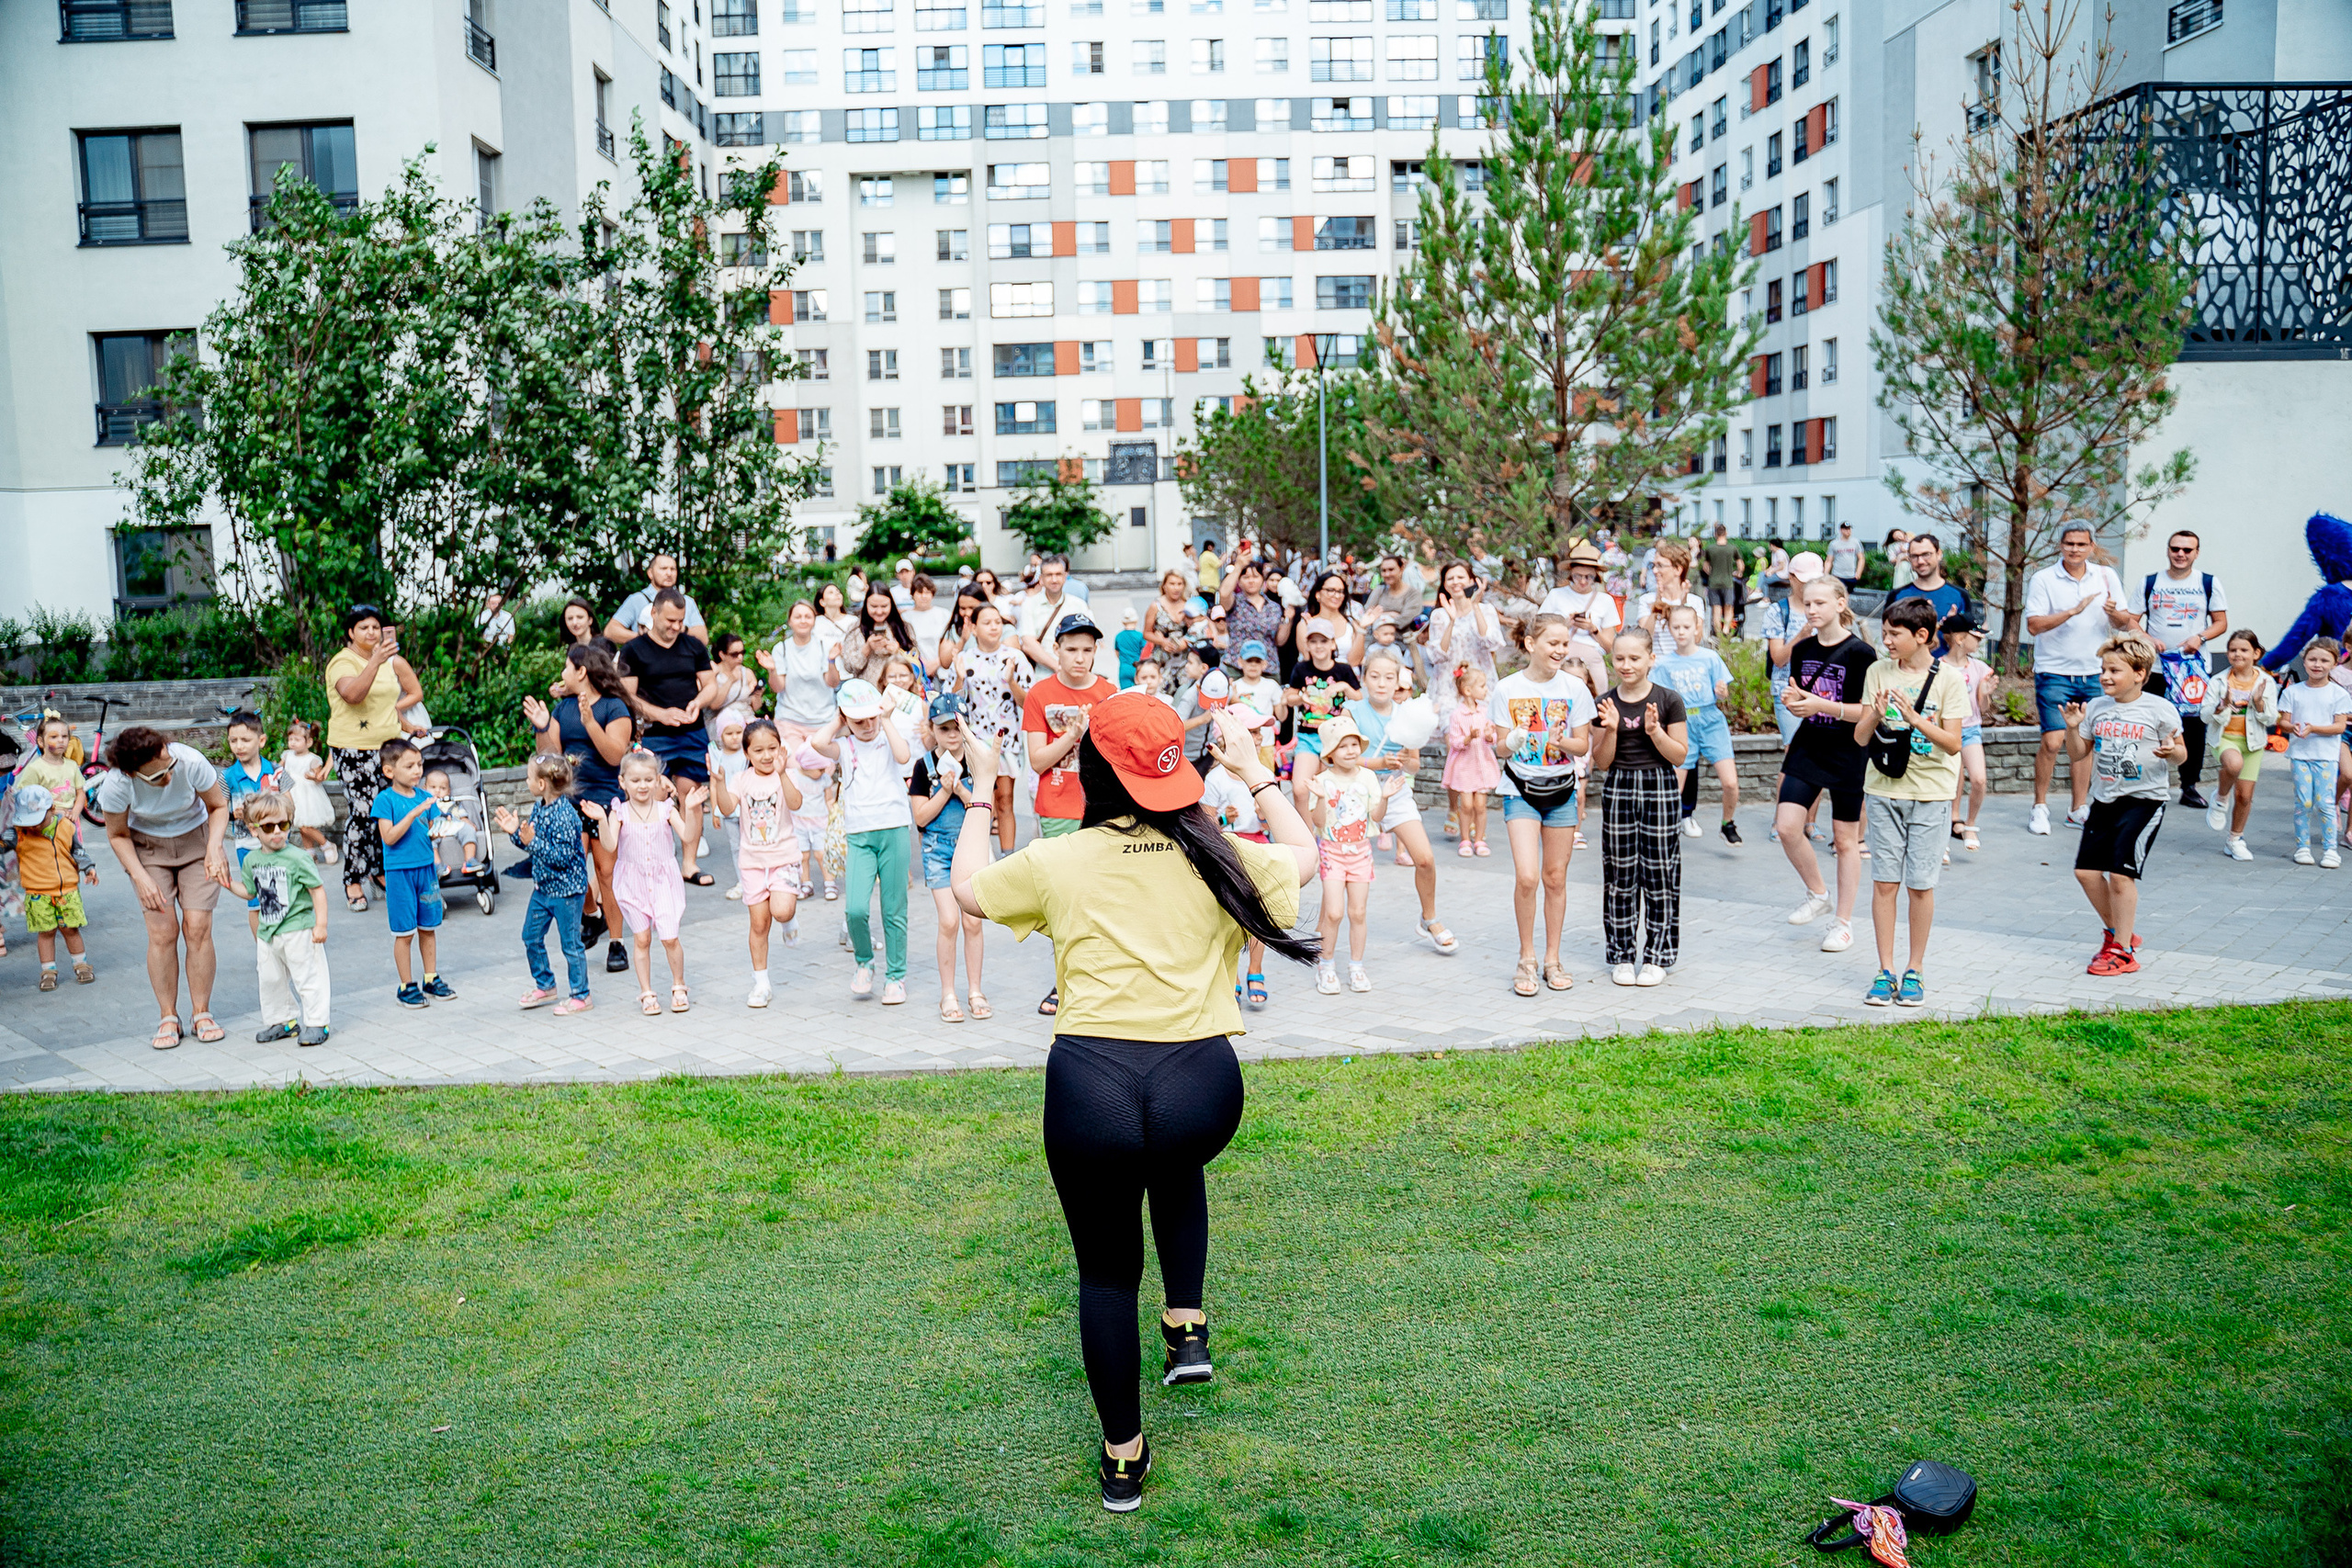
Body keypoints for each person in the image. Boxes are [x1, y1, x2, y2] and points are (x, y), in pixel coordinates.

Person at [951, 699, 1318, 1514]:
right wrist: (1255, 770)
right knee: (1173, 1156)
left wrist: (981, 787)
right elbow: (1306, 854)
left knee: (1107, 1276)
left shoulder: (1060, 858)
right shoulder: (1215, 848)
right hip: (1201, 1089)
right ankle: (1186, 1327)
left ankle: (1124, 1459)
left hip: (1093, 1087)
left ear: (1092, 771)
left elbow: (966, 889)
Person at [1854, 596, 1969, 1007]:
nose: (1886, 641)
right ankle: (1884, 971)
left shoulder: (1949, 679)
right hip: (1883, 790)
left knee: (1920, 885)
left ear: (1921, 635)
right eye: (1884, 633)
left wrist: (1916, 719)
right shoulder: (1877, 671)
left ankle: (1914, 970)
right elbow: (1861, 738)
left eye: (1893, 634)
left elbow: (1954, 744)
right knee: (1885, 883)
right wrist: (1875, 713)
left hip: (1931, 794)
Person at [95, 727, 233, 1049]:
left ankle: (202, 1012)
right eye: (157, 776)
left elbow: (218, 806)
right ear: (132, 773)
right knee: (162, 931)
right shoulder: (116, 784)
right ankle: (168, 1015)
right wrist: (140, 877)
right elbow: (117, 835)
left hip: (197, 841)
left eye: (169, 766)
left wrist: (215, 846)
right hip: (147, 849)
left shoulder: (189, 761)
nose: (169, 776)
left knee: (197, 927)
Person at [2063, 634, 2187, 975]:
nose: (2105, 676)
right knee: (2086, 873)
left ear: (2139, 673)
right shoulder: (2097, 707)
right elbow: (2077, 754)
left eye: (2114, 670)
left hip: (2144, 801)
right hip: (2104, 799)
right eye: (2103, 669)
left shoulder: (2159, 709)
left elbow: (2182, 754)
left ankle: (2123, 950)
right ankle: (2119, 933)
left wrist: (2171, 752)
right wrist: (2072, 728)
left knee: (2120, 875)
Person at [1489, 613, 1597, 996]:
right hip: (1520, 789)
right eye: (1553, 643)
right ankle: (1526, 958)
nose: (1560, 650)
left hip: (1562, 791)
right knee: (1527, 876)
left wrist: (1560, 742)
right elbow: (1500, 748)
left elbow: (1583, 745)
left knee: (1555, 878)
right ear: (1531, 644)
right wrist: (1512, 741)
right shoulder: (1506, 689)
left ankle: (1552, 959)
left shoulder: (1575, 688)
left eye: (1565, 643)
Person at [1022, 612, 1119, 1015]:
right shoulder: (1040, 694)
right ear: (1056, 650)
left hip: (1103, 807)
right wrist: (1073, 734)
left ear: (1096, 652)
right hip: (1057, 806)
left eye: (1087, 650)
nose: (1079, 658)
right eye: (1071, 649)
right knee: (1064, 897)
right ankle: (1063, 979)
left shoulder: (1109, 692)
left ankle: (1103, 977)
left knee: (1102, 895)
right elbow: (1038, 760)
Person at [1776, 577, 1877, 954]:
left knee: (1846, 839)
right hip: (1810, 745)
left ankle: (1843, 923)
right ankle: (1818, 894)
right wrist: (1794, 701)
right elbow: (1802, 696)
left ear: (1840, 603)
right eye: (1807, 603)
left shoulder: (1862, 653)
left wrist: (1822, 705)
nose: (1812, 609)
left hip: (1849, 750)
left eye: (1820, 602)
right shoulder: (1802, 650)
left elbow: (1868, 712)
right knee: (1787, 826)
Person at [528, 644, 636, 974]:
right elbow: (551, 760)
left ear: (581, 671)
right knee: (571, 867)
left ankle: (616, 942)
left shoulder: (615, 708)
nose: (562, 674)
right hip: (570, 803)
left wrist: (590, 723)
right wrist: (543, 727)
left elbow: (614, 756)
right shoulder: (563, 708)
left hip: (605, 800)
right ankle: (592, 914)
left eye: (566, 667)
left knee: (606, 873)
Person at [1591, 628, 1690, 987]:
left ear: (1651, 658)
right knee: (1620, 874)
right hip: (1619, 784)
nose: (1626, 665)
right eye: (1619, 658)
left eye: (1635, 658)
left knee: (1661, 871)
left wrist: (1655, 732)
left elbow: (1679, 755)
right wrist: (1612, 730)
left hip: (1659, 785)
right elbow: (1602, 762)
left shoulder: (1668, 700)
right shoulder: (1605, 702)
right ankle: (1621, 955)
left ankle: (1657, 955)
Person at [1341, 652, 1458, 953]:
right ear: (1364, 679)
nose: (1381, 683)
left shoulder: (1407, 715)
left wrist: (1404, 761)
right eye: (1374, 676)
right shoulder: (1351, 712)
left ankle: (1429, 919)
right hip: (1355, 793)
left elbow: (1414, 766)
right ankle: (1328, 928)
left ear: (1398, 683)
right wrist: (1377, 761)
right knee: (1342, 867)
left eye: (1389, 678)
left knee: (1425, 859)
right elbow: (1339, 760)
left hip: (1394, 790)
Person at [2023, 525, 2134, 835]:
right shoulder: (2044, 578)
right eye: (2069, 543)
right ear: (2060, 545)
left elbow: (2124, 621)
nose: (2074, 549)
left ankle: (2078, 809)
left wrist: (2114, 613)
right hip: (2054, 671)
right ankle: (2040, 807)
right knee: (2052, 741)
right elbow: (2034, 625)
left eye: (2081, 544)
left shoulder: (2106, 576)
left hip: (2095, 672)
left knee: (2085, 743)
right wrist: (2072, 611)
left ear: (2092, 546)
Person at [810, 679, 915, 1004]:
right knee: (855, 909)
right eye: (859, 721)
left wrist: (885, 718)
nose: (867, 726)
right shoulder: (845, 746)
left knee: (893, 909)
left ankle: (895, 976)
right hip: (859, 834)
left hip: (894, 827)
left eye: (871, 718)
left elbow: (904, 755)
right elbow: (818, 742)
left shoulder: (887, 734)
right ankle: (864, 962)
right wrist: (840, 720)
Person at [323, 605, 425, 912]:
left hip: (388, 749)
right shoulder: (342, 661)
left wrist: (408, 727)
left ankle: (379, 872)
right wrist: (375, 661)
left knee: (386, 811)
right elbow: (353, 695)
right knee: (363, 812)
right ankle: (353, 879)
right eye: (363, 627)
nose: (371, 632)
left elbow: (387, 705)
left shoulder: (385, 661)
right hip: (353, 749)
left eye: (375, 627)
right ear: (350, 632)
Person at [616, 587, 718, 886]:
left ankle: (689, 864)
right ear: (655, 613)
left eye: (681, 621)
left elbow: (711, 685)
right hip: (654, 734)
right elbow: (627, 695)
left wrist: (698, 702)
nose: (676, 627)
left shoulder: (693, 646)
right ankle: (651, 861)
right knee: (654, 794)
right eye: (670, 620)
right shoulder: (634, 649)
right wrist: (659, 714)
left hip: (692, 732)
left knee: (691, 794)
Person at [590, 750, 703, 1014]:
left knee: (670, 938)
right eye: (636, 780)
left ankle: (679, 984)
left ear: (658, 781)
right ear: (623, 782)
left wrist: (691, 809)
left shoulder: (666, 809)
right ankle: (647, 992)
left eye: (648, 780)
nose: (642, 786)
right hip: (633, 883)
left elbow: (688, 836)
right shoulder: (619, 812)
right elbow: (609, 845)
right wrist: (601, 821)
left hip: (664, 882)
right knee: (641, 939)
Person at [222, 788, 331, 1043]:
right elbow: (250, 892)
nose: (277, 832)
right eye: (269, 827)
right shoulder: (251, 860)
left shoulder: (298, 857)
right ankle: (283, 1021)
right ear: (253, 830)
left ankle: (318, 1023)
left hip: (298, 927)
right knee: (270, 979)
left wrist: (321, 924)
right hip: (268, 931)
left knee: (308, 976)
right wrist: (226, 883)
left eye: (283, 825)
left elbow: (317, 891)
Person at [709, 718, 804, 1008]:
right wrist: (718, 782)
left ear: (780, 748)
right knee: (759, 924)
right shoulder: (741, 779)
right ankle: (761, 983)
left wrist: (783, 773)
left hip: (784, 858)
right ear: (746, 753)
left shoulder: (787, 774)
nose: (766, 756)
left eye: (772, 748)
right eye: (758, 750)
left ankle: (788, 921)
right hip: (752, 863)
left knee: (782, 911)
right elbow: (727, 808)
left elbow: (796, 803)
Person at [2132, 529, 2230, 809]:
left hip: (2192, 671)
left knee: (2193, 728)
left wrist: (2200, 637)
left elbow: (2221, 622)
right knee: (2149, 723)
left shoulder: (2208, 582)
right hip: (2156, 668)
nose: (2181, 554)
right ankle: (2146, 782)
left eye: (2187, 550)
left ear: (2196, 553)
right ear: (2168, 550)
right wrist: (2147, 638)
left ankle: (2189, 786)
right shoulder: (2150, 582)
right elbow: (2131, 620)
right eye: (2175, 549)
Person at [911, 694, 989, 1022]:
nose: (952, 735)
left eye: (957, 727)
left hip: (970, 848)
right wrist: (944, 790)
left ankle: (975, 990)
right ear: (932, 730)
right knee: (949, 921)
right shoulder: (923, 767)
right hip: (938, 851)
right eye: (944, 728)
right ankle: (948, 993)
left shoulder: (978, 762)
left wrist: (960, 789)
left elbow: (984, 808)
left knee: (973, 921)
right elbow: (920, 817)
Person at [497, 751, 594, 1016]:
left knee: (571, 945)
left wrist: (532, 841)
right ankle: (546, 985)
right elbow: (533, 845)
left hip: (567, 893)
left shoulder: (565, 815)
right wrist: (516, 833)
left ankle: (581, 995)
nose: (526, 781)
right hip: (543, 889)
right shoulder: (539, 807)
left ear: (541, 784)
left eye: (529, 777)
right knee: (531, 936)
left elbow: (561, 858)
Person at [1305, 716, 1387, 993]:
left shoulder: (1368, 777)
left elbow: (1377, 816)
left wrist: (1386, 797)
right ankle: (1326, 965)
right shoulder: (1322, 780)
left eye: (1354, 744)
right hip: (1332, 852)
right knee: (1334, 912)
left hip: (1361, 852)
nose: (1351, 751)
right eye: (1343, 746)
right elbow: (1318, 822)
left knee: (1358, 912)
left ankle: (1356, 966)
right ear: (1330, 752)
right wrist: (1319, 797)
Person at [369, 738, 455, 1010]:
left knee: (428, 928)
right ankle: (406, 986)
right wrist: (413, 813)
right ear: (389, 771)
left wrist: (440, 829)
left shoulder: (425, 797)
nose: (417, 771)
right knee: (404, 933)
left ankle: (431, 978)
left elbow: (431, 828)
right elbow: (389, 837)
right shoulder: (385, 800)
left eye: (419, 764)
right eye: (409, 766)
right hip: (399, 874)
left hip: (425, 869)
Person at [949, 602, 1028, 854]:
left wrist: (1011, 681)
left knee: (1005, 799)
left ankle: (1007, 856)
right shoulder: (964, 659)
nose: (994, 627)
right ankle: (980, 857)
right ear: (973, 628)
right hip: (975, 741)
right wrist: (960, 679)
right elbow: (952, 703)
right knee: (980, 802)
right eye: (987, 622)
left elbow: (1028, 702)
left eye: (997, 622)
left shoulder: (1015, 657)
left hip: (1006, 739)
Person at [1657, 604, 1740, 842]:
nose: (1681, 632)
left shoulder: (1710, 658)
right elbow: (1660, 698)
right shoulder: (1664, 664)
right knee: (1675, 786)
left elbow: (1722, 692)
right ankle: (1666, 830)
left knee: (1731, 783)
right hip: (1682, 723)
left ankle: (1727, 823)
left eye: (1686, 627)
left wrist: (1722, 692)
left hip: (1710, 720)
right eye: (1676, 627)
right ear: (1669, 629)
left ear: (1696, 628)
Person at [6, 784, 97, 991]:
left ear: (52, 809)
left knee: (70, 930)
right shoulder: (19, 834)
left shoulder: (66, 827)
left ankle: (81, 965)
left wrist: (89, 868)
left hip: (67, 892)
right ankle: (48, 971)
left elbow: (78, 851)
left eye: (38, 820)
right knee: (45, 932)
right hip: (37, 893)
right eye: (29, 821)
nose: (34, 826)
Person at [2202, 628, 2278, 861]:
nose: (2237, 654)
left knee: (2245, 797)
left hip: (2253, 744)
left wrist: (2258, 703)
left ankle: (2235, 840)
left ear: (2256, 653)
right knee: (2233, 765)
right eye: (2232, 650)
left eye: (2244, 650)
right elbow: (2204, 715)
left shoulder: (2265, 682)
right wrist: (2221, 706)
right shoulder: (2218, 681)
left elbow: (2271, 719)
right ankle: (2221, 797)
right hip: (2225, 738)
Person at [2278, 637, 2352, 867]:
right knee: (2303, 803)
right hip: (2300, 756)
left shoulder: (2338, 694)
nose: (2317, 665)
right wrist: (2292, 727)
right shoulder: (2293, 692)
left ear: (2334, 663)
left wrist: (2314, 728)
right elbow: (2283, 722)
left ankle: (2331, 850)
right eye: (2312, 659)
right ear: (2304, 660)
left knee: (2325, 803)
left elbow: (2339, 727)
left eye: (2324, 660)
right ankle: (2303, 847)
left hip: (2326, 757)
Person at [1282, 619, 1362, 815]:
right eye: (1314, 641)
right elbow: (1289, 698)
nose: (1319, 646)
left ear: (1333, 644)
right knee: (1300, 788)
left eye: (1324, 641)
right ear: (1307, 645)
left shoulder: (1343, 670)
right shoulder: (1301, 668)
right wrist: (1301, 697)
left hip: (1336, 738)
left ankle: (1327, 828)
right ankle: (1306, 831)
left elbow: (1360, 699)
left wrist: (1344, 687)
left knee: (1330, 790)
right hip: (1308, 736)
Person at [220, 711, 280, 940]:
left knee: (279, 894)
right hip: (247, 845)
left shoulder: (276, 771)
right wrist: (231, 814)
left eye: (245, 740)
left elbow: (290, 806)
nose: (239, 746)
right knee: (255, 901)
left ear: (261, 740)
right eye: (233, 741)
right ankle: (263, 948)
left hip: (276, 843)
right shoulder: (227, 777)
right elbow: (217, 811)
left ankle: (282, 942)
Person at [1942, 613, 1996, 852]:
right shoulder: (1938, 667)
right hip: (1945, 730)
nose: (1980, 641)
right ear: (1960, 639)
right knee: (1949, 779)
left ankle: (1971, 822)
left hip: (1970, 729)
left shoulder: (1979, 668)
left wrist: (1984, 694)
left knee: (1979, 778)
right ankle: (1946, 828)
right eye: (1976, 637)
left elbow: (1983, 709)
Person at [1762, 551, 1823, 746]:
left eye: (1815, 581)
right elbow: (1779, 659)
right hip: (1788, 690)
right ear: (1791, 577)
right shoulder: (1778, 611)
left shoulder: (1826, 609)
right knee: (1795, 751)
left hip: (1822, 692)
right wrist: (1802, 635)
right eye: (1805, 581)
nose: (1810, 586)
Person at [762, 600, 845, 742]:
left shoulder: (825, 646)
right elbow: (778, 688)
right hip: (789, 721)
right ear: (790, 621)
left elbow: (833, 683)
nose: (803, 621)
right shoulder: (781, 649)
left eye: (808, 617)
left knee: (823, 757)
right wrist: (772, 670)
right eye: (798, 617)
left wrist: (831, 661)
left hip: (823, 721)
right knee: (793, 757)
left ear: (814, 621)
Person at [1535, 541, 1622, 676]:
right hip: (1560, 658)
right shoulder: (1556, 595)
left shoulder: (1605, 600)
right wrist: (1565, 625)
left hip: (1591, 662)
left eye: (1588, 577)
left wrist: (1593, 629)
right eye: (1578, 576)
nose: (1583, 581)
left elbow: (1609, 647)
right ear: (1571, 574)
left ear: (1596, 576)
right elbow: (1538, 630)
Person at [1442, 666, 1499, 855]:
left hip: (1482, 765)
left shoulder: (1485, 712)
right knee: (1466, 805)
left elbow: (1494, 738)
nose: (1486, 690)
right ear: (1468, 690)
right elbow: (1455, 741)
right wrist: (1468, 738)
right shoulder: (1457, 715)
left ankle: (1480, 839)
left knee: (1480, 805)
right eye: (1482, 686)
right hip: (1464, 768)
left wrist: (1489, 736)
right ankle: (1465, 839)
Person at [1885, 532, 1971, 648]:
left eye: (1926, 554)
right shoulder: (1897, 596)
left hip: (1946, 659)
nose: (1920, 561)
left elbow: (1967, 642)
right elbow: (1889, 637)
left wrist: (1950, 627)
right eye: (1914, 556)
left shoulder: (1960, 595)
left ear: (1939, 554)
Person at [1216, 554, 1293, 681]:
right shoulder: (1235, 602)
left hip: (1268, 667)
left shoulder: (1273, 607)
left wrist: (1288, 619)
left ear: (1263, 580)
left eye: (1256, 577)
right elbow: (1223, 593)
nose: (1251, 581)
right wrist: (1238, 566)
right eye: (1246, 577)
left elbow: (1279, 641)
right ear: (1239, 581)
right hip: (1237, 667)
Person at [604, 553, 708, 645]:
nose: (669, 573)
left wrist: (682, 630)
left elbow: (703, 638)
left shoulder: (687, 602)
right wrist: (644, 639)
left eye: (673, 569)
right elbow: (610, 632)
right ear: (650, 573)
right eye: (663, 569)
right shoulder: (637, 600)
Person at [1016, 555, 1085, 681]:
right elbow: (1028, 643)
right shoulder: (1029, 605)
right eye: (1049, 575)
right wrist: (1058, 667)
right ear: (1041, 579)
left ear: (1065, 576)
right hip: (1041, 677)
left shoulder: (1078, 605)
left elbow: (1087, 641)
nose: (1054, 579)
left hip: (1075, 677)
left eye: (1058, 574)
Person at [278, 718, 337, 863]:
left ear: (309, 742)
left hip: (307, 796)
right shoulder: (287, 755)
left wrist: (312, 777)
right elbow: (279, 770)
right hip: (291, 794)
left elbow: (319, 777)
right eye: (290, 739)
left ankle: (326, 845)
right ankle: (310, 852)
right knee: (300, 825)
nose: (292, 743)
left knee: (305, 826)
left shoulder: (312, 759)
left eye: (297, 740)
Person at [1633, 542, 1703, 657]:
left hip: (1683, 663)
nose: (1655, 571)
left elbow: (1697, 638)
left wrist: (1683, 606)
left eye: (1660, 566)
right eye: (1653, 566)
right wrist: (1656, 608)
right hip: (1656, 663)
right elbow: (1644, 638)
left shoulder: (1694, 602)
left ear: (1678, 570)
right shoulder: (1647, 600)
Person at [838, 586, 922, 683]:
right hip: (867, 689)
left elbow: (915, 664)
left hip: (899, 688)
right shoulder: (855, 629)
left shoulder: (904, 627)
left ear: (891, 604)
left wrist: (897, 652)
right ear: (866, 605)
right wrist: (867, 649)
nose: (879, 611)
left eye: (884, 606)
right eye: (874, 606)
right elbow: (849, 667)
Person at [421, 769, 482, 878]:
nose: (437, 791)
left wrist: (465, 819)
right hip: (434, 826)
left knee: (468, 830)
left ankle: (470, 860)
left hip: (452, 824)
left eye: (443, 788)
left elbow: (460, 812)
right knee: (428, 839)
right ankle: (437, 865)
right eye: (433, 787)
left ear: (449, 791)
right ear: (424, 788)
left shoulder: (452, 801)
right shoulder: (425, 803)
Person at [705, 631, 762, 743]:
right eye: (735, 654)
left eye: (742, 653)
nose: (740, 657)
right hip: (722, 723)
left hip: (747, 720)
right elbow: (714, 704)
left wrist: (757, 695)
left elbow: (756, 707)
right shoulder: (714, 672)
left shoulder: (747, 673)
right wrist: (730, 680)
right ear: (722, 655)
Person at [1701, 524, 1746, 640]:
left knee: (1716, 609)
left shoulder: (1710, 548)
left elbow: (1705, 566)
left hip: (1713, 583)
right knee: (1729, 607)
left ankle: (1718, 634)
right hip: (1727, 582)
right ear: (1726, 533)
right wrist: (1738, 573)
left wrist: (1712, 574)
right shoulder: (1732, 548)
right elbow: (1740, 565)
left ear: (1715, 534)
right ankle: (1726, 629)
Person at [902, 574, 954, 676]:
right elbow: (905, 646)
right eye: (920, 592)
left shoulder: (944, 614)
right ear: (913, 594)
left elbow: (952, 642)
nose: (924, 596)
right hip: (916, 671)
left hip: (943, 670)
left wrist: (937, 662)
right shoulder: (905, 617)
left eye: (927, 592)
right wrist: (921, 663)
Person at [1114, 609, 1148, 690]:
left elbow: (1117, 653)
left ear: (1123, 622)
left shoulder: (1119, 636)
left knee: (1125, 692)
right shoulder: (1140, 636)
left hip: (1124, 668)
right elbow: (1145, 652)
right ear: (1136, 621)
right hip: (1137, 668)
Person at [1827, 523, 1863, 590]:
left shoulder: (1856, 542)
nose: (1848, 531)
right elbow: (1829, 561)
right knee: (1839, 593)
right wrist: (1825, 574)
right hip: (1838, 575)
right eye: (1846, 529)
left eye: (1849, 529)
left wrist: (1859, 572)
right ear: (1841, 530)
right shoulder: (1834, 544)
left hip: (1851, 576)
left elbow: (1861, 558)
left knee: (1847, 594)